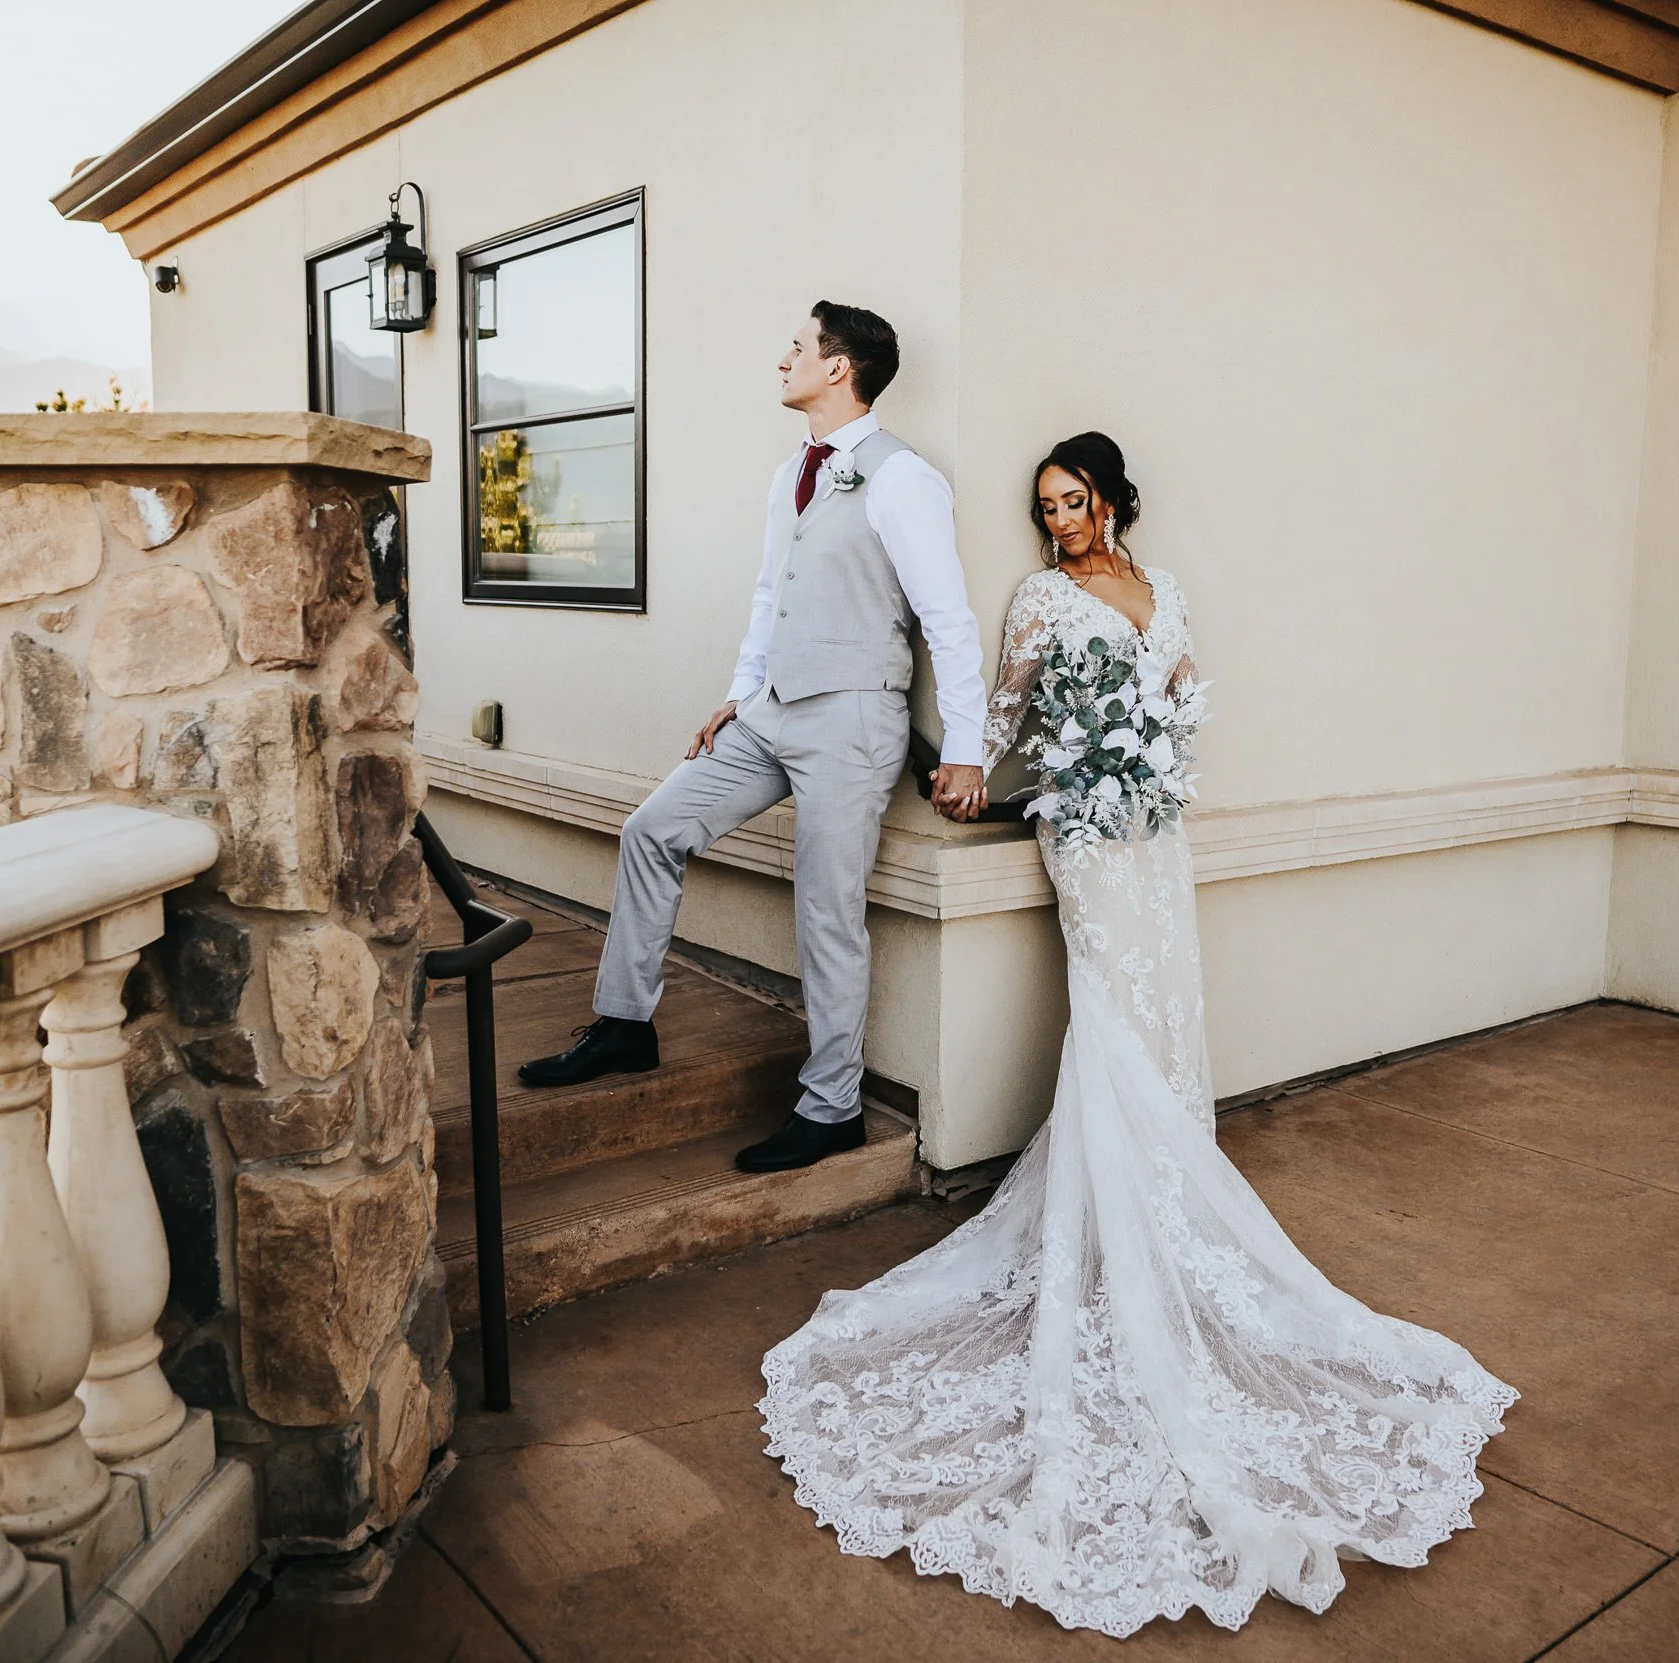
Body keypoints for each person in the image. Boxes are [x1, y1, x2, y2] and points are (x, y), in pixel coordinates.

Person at [757, 433, 1517, 1637]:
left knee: (1163, 1010)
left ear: (1112, 499)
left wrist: (1151, 764)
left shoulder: (1165, 593)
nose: (1057, 521)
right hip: (1081, 835)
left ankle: (1167, 1204)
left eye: (1073, 501)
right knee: (1110, 1008)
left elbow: (1180, 702)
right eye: (1045, 506)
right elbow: (1003, 709)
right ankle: (1113, 1230)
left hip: (1154, 832)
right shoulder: (1039, 597)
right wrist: (966, 769)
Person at [516, 302, 990, 1173]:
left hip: (852, 718)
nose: (785, 360)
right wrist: (740, 694)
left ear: (840, 367)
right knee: (652, 829)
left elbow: (948, 621)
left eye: (799, 348)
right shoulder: (791, 477)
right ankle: (624, 1025)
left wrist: (966, 748)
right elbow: (771, 593)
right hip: (770, 708)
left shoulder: (900, 478)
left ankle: (832, 1107)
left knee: (828, 914)